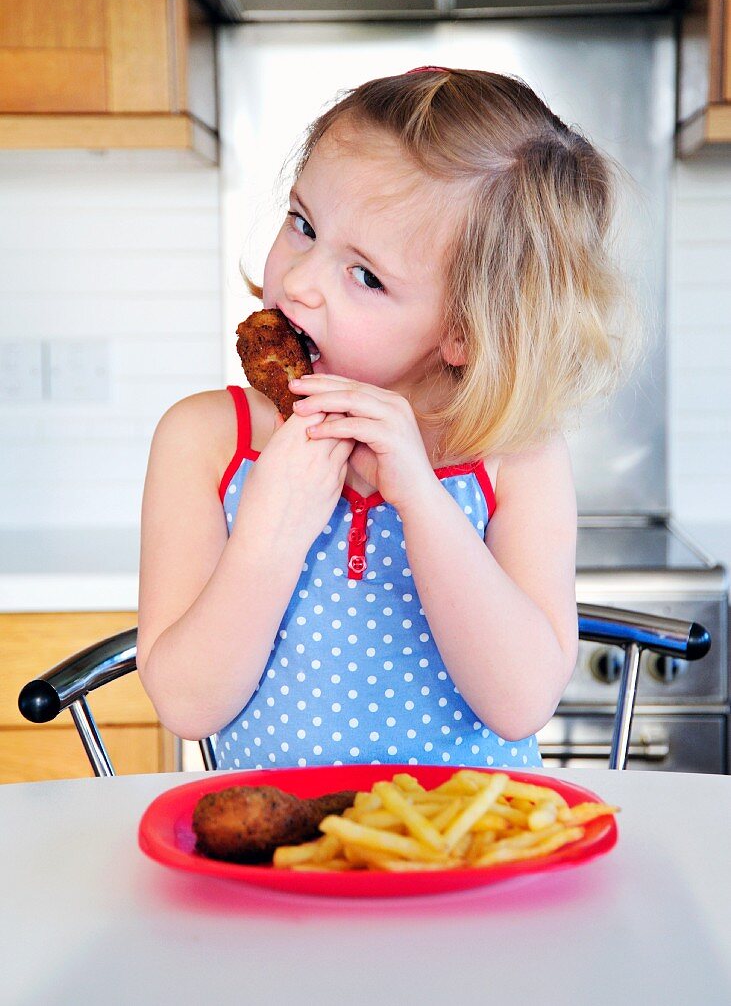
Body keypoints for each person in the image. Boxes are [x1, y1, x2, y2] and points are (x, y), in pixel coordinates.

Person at [136, 66, 638, 771]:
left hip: (470, 857)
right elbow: (187, 705)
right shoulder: (205, 440)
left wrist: (421, 499)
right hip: (282, 862)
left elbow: (519, 703)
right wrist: (272, 527)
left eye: (365, 276)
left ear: (464, 329)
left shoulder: (512, 456)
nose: (300, 282)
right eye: (304, 225)